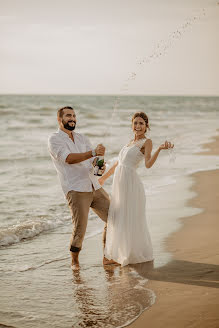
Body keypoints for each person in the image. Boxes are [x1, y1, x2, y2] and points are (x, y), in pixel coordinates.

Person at [99, 111, 174, 266]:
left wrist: (159, 149)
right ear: (131, 124)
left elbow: (147, 164)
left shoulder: (147, 142)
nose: (138, 126)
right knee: (120, 217)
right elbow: (118, 164)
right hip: (119, 184)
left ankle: (124, 255)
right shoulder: (128, 143)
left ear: (146, 126)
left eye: (141, 123)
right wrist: (103, 178)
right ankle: (119, 254)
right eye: (135, 123)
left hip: (131, 185)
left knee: (127, 218)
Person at [48, 106, 110, 270]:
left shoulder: (82, 138)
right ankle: (74, 262)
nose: (72, 118)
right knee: (80, 229)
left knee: (115, 217)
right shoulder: (54, 139)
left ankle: (107, 255)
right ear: (59, 119)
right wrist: (92, 152)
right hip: (75, 189)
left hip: (93, 185)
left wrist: (100, 166)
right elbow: (68, 158)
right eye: (68, 115)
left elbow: (93, 162)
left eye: (74, 115)